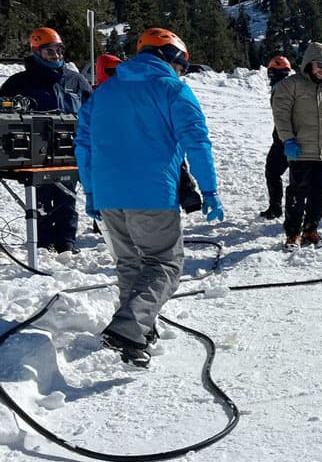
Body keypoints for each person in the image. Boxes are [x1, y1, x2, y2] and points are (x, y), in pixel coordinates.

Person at [75, 27, 223, 367]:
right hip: (152, 193)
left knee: (131, 263)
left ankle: (137, 332)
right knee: (164, 263)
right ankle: (129, 328)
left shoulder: (103, 92)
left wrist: (92, 191)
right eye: (182, 65)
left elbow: (83, 145)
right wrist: (210, 189)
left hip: (110, 195)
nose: (181, 72)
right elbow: (196, 141)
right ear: (171, 57)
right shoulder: (172, 89)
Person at [0, 27, 92, 253]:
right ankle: (42, 242)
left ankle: (66, 242)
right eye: (49, 51)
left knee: (67, 196)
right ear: (36, 51)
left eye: (58, 50)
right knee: (40, 197)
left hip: (70, 149)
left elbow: (94, 111)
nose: (55, 55)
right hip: (33, 153)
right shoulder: (19, 82)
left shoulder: (75, 81)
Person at [272, 43, 322, 247]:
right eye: (319, 64)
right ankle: (292, 233)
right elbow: (281, 115)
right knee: (298, 193)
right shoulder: (291, 84)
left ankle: (310, 230)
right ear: (308, 64)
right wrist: (287, 139)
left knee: (321, 192)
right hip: (301, 150)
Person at [259, 55, 293, 220]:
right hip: (289, 136)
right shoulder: (289, 86)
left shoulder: (279, 88)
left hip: (283, 138)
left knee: (272, 172)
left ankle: (276, 208)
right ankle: (283, 208)